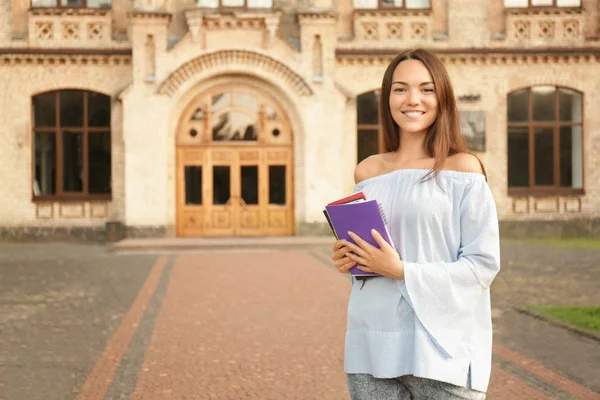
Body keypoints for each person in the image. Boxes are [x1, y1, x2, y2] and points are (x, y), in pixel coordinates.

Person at [331, 48, 500, 399]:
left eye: (426, 89)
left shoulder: (464, 170)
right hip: (371, 344)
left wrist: (401, 269)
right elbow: (372, 256)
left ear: (442, 98)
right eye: (400, 89)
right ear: (387, 98)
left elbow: (482, 266)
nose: (412, 99)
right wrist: (350, 257)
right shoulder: (367, 171)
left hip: (441, 349)